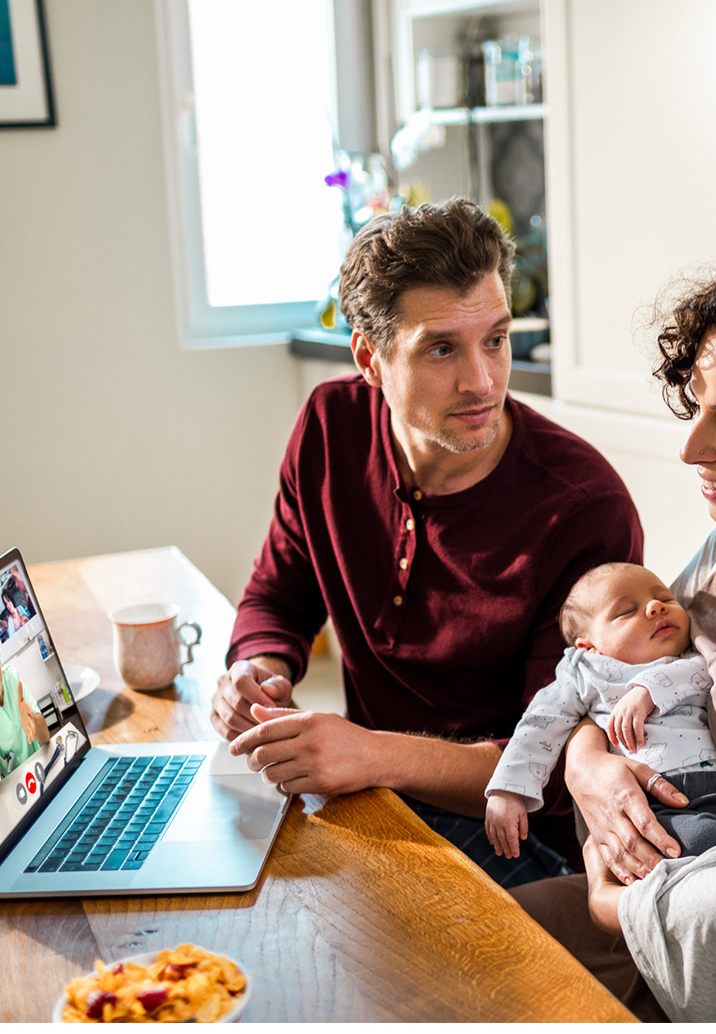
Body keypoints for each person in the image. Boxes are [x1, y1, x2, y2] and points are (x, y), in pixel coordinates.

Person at [210, 198, 643, 887]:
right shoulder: (330, 426)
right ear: (370, 360)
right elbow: (278, 594)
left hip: (520, 837)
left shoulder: (583, 508)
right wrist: (259, 669)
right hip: (379, 796)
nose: (482, 381)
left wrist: (371, 755)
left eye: (495, 340)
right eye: (442, 348)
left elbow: (554, 768)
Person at [511, 241, 716, 1022]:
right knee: (438, 941)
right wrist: (586, 766)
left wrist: (617, 908)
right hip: (672, 879)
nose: (690, 447)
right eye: (698, 411)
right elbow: (610, 675)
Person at [485, 562, 716, 861]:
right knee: (704, 843)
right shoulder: (584, 672)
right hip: (648, 802)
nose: (657, 607)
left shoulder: (692, 654)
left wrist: (647, 691)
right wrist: (509, 790)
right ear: (590, 648)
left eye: (666, 599)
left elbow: (709, 670)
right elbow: (540, 724)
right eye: (626, 611)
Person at [0, 630, 50, 795]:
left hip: (39, 765)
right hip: (14, 785)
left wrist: (32, 720)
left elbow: (45, 738)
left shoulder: (12, 679)